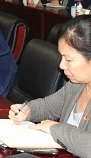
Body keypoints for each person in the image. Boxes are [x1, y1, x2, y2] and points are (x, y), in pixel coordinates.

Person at [8, 15, 91, 157]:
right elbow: (49, 106)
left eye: (69, 59)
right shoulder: (76, 85)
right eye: (62, 57)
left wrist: (55, 128)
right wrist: (28, 111)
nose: (61, 65)